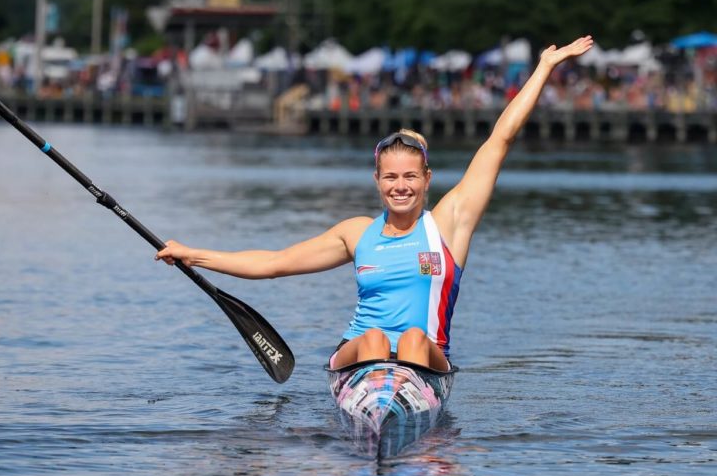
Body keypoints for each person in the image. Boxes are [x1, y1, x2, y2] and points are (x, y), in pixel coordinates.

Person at [156, 36, 594, 371]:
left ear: (427, 181)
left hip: (426, 360)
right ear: (377, 181)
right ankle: (375, 406)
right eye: (390, 177)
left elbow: (500, 139)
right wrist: (193, 255)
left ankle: (397, 397)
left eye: (409, 177)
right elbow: (274, 263)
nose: (399, 186)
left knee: (411, 341)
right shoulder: (356, 233)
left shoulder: (449, 223)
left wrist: (544, 67)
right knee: (375, 341)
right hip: (360, 360)